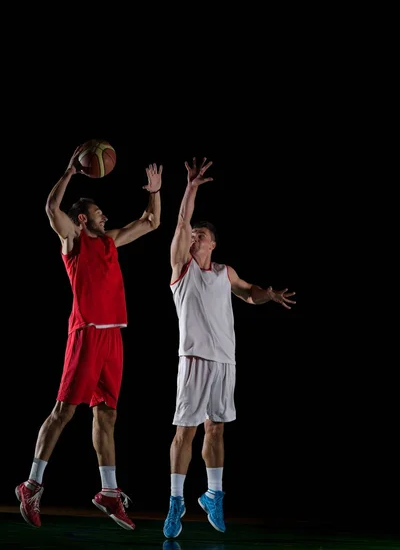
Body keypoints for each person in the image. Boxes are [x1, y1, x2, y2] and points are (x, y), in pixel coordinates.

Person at [16, 146, 163, 530]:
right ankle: (31, 484)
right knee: (64, 410)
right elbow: (51, 209)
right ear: (83, 218)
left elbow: (151, 222)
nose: (106, 216)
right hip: (85, 334)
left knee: (107, 414)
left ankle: (109, 492)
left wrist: (154, 190)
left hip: (114, 337)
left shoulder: (111, 240)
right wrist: (67, 172)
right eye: (99, 213)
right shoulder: (74, 241)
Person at [163, 157, 296, 539]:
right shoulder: (181, 269)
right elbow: (179, 223)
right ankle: (176, 501)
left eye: (200, 234)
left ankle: (214, 495)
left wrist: (266, 294)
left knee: (216, 431)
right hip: (193, 360)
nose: (193, 237)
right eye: (192, 233)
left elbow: (248, 293)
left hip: (225, 362)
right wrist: (190, 188)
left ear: (213, 242)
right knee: (184, 433)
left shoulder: (224, 271)